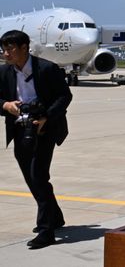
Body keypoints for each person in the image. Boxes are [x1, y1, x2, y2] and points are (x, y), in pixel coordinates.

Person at [0, 30, 72, 249]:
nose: (5, 53)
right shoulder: (4, 72)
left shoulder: (47, 69)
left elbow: (65, 96)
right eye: (3, 49)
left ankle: (45, 231)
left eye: (10, 48)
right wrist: (6, 106)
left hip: (45, 128)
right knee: (32, 179)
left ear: (24, 48)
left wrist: (46, 117)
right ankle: (55, 217)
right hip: (20, 128)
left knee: (39, 176)